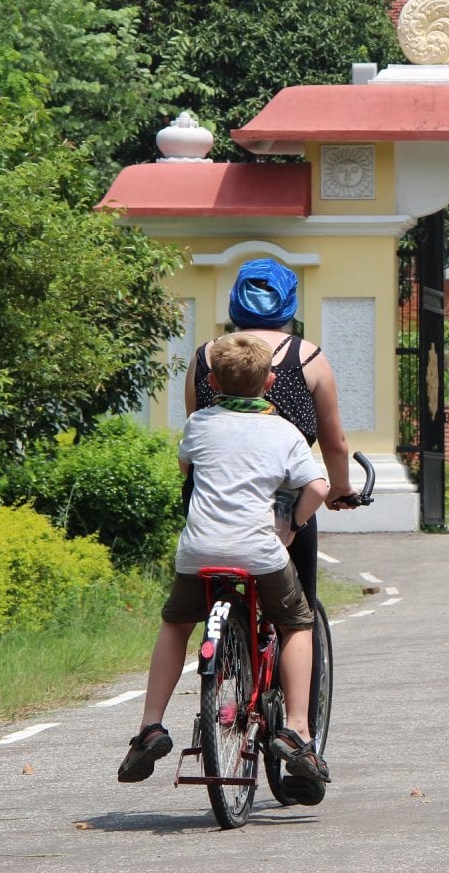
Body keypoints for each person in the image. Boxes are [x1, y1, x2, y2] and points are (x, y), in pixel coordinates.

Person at [118, 333, 330, 788]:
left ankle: (150, 726)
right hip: (259, 550)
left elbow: (187, 468)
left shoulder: (199, 425)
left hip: (199, 553)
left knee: (176, 624)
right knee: (297, 622)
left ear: (211, 381)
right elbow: (317, 488)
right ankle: (297, 730)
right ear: (270, 381)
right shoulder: (285, 432)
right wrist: (291, 524)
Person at [184, 257, 354, 802]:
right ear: (290, 306)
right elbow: (333, 444)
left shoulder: (208, 358)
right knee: (296, 613)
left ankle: (223, 671)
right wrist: (344, 488)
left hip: (209, 513)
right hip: (282, 516)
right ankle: (298, 731)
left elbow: (194, 434)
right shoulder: (309, 359)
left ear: (233, 303)